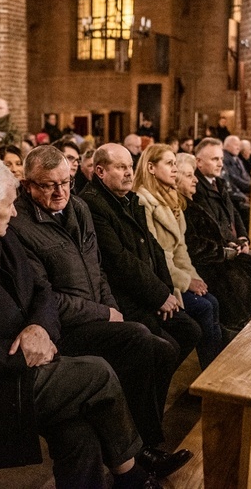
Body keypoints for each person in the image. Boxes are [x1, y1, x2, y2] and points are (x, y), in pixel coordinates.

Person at [0, 157, 159, 489]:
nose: (14, 212)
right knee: (97, 373)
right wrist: (19, 354)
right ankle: (132, 476)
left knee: (78, 434)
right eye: (9, 205)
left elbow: (42, 290)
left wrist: (39, 327)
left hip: (21, 373)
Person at [9, 146, 190, 477]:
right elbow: (45, 297)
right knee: (140, 339)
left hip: (98, 314)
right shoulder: (19, 225)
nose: (61, 191)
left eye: (67, 181)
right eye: (49, 185)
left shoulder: (78, 207)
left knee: (162, 350)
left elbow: (99, 271)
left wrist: (112, 307)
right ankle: (144, 451)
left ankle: (144, 445)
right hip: (63, 328)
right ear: (28, 185)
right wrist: (104, 314)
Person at [80, 144, 202, 370]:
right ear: (100, 171)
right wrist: (157, 296)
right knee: (167, 347)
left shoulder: (130, 200)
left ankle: (154, 388)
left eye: (130, 166)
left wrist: (164, 291)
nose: (128, 172)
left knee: (191, 331)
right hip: (124, 296)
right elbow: (119, 260)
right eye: (120, 167)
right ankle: (145, 397)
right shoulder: (93, 204)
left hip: (147, 291)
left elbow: (154, 247)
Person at [134, 144, 224, 369]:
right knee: (204, 307)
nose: (174, 169)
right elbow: (157, 255)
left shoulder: (171, 198)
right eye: (169, 164)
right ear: (151, 168)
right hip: (163, 279)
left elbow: (180, 249)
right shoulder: (144, 202)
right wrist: (185, 282)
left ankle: (215, 372)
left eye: (175, 164)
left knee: (211, 300)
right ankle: (212, 375)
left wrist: (193, 279)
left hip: (176, 272)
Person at [176, 152, 251, 340]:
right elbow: (189, 246)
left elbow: (231, 216)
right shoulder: (182, 206)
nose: (195, 180)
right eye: (189, 175)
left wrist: (233, 242)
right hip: (203, 265)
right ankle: (239, 337)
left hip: (215, 256)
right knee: (238, 280)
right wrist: (224, 251)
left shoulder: (194, 199)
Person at [193, 138, 251, 282]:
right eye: (215, 159)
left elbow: (234, 213)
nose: (221, 163)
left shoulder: (218, 183)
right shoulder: (197, 188)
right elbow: (213, 225)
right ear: (199, 162)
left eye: (221, 158)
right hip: (222, 251)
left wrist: (244, 237)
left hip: (234, 245)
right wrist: (236, 243)